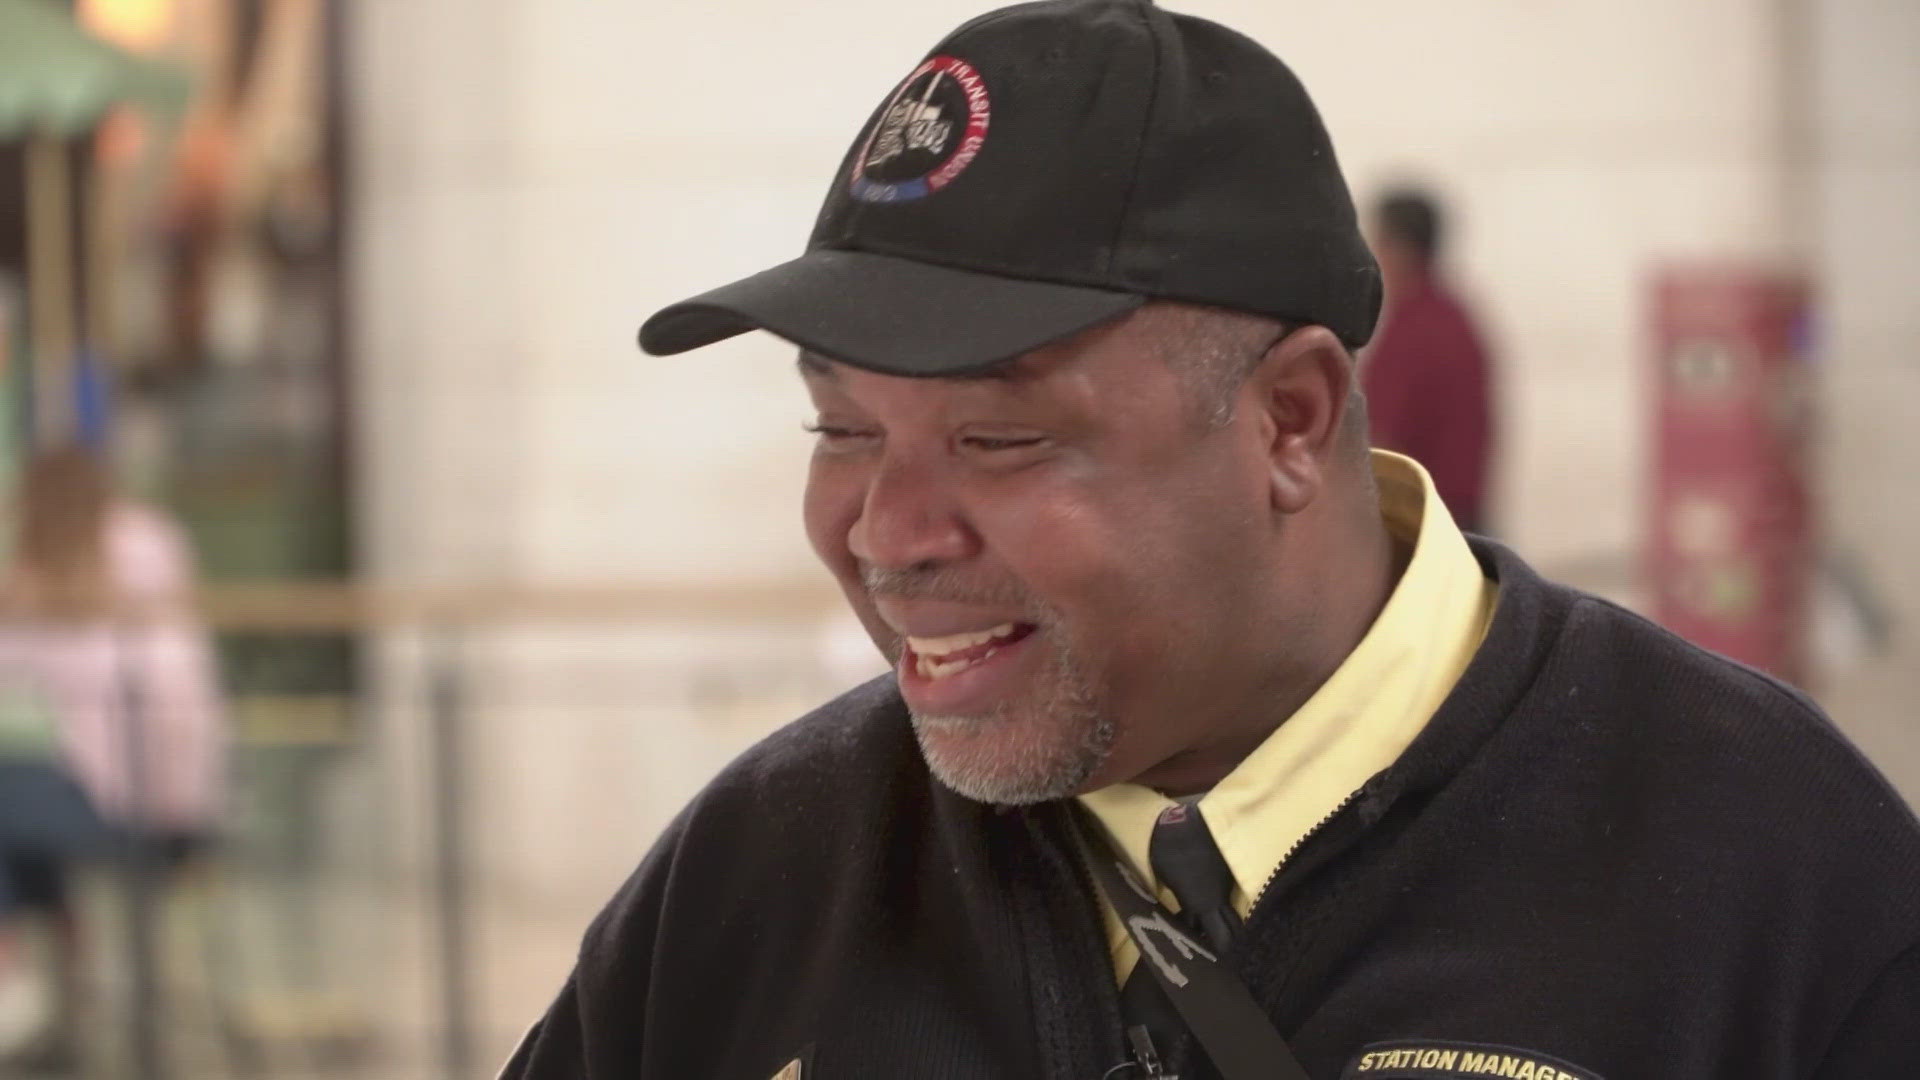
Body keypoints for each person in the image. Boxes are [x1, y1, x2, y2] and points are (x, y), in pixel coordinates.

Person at [502, 3, 1920, 1078]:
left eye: (1000, 438)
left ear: (1291, 422)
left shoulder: (1771, 867)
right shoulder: (769, 871)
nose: (889, 532)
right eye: (842, 430)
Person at [0, 445, 226, 1063]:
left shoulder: (71, 567)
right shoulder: (148, 542)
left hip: (140, 804)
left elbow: (19, 654)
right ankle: (54, 991)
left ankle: (16, 976)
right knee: (19, 826)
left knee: (5, 808)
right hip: (184, 797)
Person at [1361, 188, 1497, 533]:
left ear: (1400, 251)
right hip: (1461, 514)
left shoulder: (1414, 334)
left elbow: (1386, 440)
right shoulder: (1458, 319)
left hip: (1429, 522)